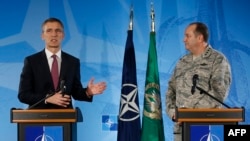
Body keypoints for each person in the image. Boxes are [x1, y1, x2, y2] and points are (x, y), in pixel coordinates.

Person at [18, 17, 107, 109]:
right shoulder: (31, 61)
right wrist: (47, 98)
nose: (54, 34)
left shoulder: (73, 62)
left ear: (63, 35)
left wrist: (88, 92)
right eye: (49, 31)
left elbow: (76, 92)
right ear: (42, 36)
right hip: (38, 117)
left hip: (65, 117)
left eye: (58, 31)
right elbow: (23, 95)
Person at [166, 22, 231, 141]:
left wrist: (189, 113)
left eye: (187, 36)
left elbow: (218, 93)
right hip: (180, 130)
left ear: (200, 38)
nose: (184, 39)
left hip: (204, 128)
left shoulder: (218, 60)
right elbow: (170, 91)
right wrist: (174, 114)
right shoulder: (182, 62)